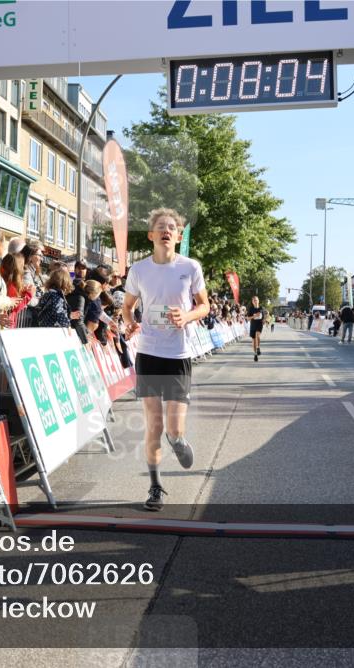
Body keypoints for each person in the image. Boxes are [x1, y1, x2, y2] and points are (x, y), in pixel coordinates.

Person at [122, 208, 210, 511]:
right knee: (154, 425)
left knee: (173, 428)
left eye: (172, 227)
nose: (166, 230)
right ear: (151, 235)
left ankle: (180, 441)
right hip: (148, 352)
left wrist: (186, 316)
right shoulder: (139, 270)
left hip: (178, 355)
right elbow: (128, 306)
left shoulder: (190, 267)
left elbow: (205, 306)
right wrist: (130, 321)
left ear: (179, 235)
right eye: (160, 226)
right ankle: (155, 487)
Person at [0, 253, 32, 329]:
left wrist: (23, 292)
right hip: (6, 324)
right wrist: (28, 294)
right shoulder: (11, 285)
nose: (24, 269)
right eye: (23, 266)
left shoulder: (5, 281)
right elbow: (15, 306)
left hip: (5, 322)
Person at [246, 295, 264, 362]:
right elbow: (247, 318)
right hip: (253, 325)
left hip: (259, 324)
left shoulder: (261, 308)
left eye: (256, 300)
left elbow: (263, 317)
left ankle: (258, 347)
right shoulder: (251, 309)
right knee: (253, 341)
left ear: (258, 301)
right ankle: (255, 354)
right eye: (254, 300)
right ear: (252, 302)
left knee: (257, 335)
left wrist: (265, 320)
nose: (255, 301)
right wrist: (254, 316)